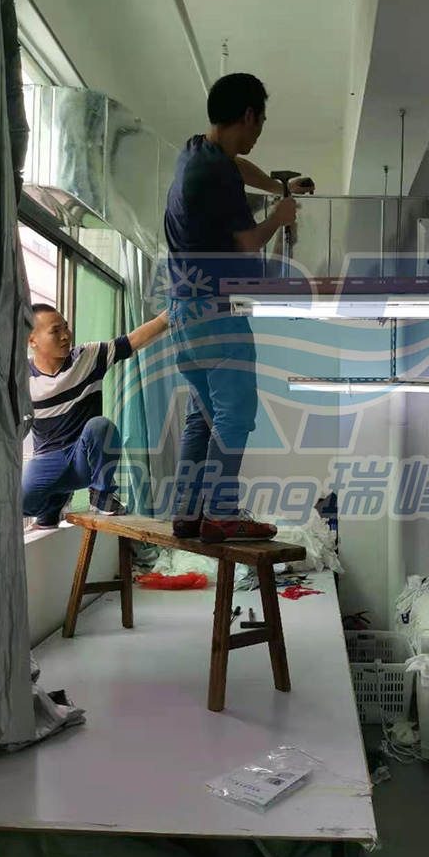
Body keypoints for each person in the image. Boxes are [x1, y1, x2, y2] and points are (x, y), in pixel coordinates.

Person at [165, 72, 314, 543]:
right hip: (215, 312)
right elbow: (249, 242)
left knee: (204, 416)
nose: (260, 132)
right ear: (249, 115)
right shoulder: (215, 174)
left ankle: (187, 512)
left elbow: (240, 167)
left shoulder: (197, 151)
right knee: (235, 414)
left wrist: (277, 186)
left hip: (182, 313)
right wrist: (280, 215)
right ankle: (222, 514)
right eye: (261, 122)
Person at [23, 303, 169, 529]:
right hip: (47, 460)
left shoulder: (87, 357)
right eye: (55, 331)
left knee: (100, 426)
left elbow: (132, 340)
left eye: (66, 327)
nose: (65, 336)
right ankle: (53, 505)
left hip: (83, 458)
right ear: (32, 340)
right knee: (19, 503)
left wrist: (168, 316)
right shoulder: (21, 376)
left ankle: (102, 495)